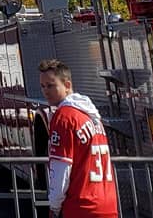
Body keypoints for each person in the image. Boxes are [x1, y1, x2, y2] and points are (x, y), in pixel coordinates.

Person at [39, 58, 118, 218]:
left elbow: (61, 168)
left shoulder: (64, 117)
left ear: (67, 85)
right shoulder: (92, 116)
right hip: (107, 204)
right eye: (43, 86)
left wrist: (54, 207)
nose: (45, 91)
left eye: (51, 85)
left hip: (81, 206)